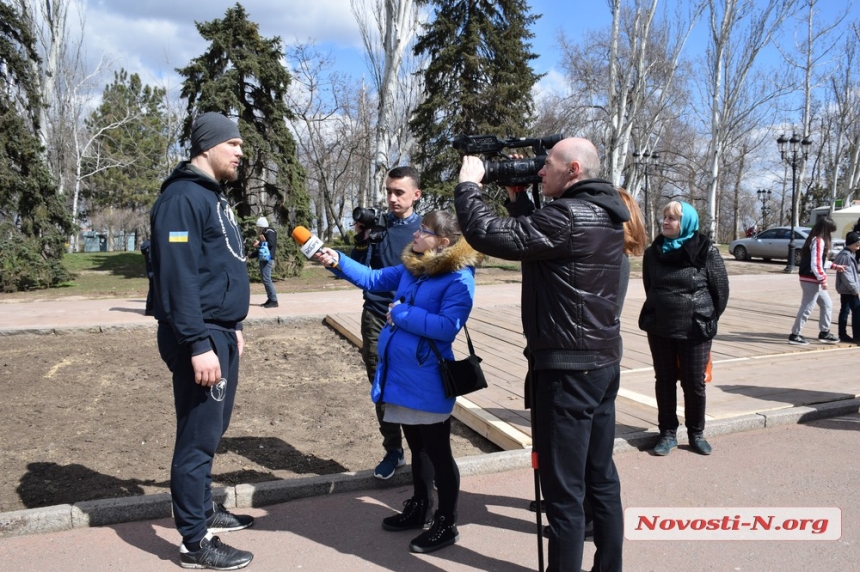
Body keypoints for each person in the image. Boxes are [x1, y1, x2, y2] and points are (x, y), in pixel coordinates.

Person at [455, 137, 629, 572]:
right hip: (601, 364)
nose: (539, 171)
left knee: (564, 493)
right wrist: (519, 202)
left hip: (567, 370)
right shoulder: (603, 212)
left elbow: (489, 235)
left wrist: (469, 186)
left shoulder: (569, 215)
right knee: (600, 477)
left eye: (546, 165)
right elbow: (545, 245)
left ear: (572, 169)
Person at [315, 211, 481, 554]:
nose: (416, 234)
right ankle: (421, 505)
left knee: (439, 453)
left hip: (428, 380)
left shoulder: (459, 279)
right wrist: (338, 260)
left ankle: (446, 522)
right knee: (417, 448)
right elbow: (374, 279)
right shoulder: (412, 268)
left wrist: (401, 313)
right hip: (401, 378)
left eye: (424, 231)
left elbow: (447, 326)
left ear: (444, 242)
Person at [149, 112, 254, 571]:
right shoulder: (182, 198)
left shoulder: (212, 196)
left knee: (211, 431)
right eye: (232, 143)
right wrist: (197, 343)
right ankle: (195, 542)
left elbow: (218, 270)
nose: (239, 152)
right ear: (206, 146)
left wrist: (234, 327)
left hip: (219, 331)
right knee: (196, 438)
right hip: (199, 335)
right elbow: (178, 279)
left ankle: (205, 508)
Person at [638, 201, 729, 458]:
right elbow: (650, 287)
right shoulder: (653, 252)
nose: (666, 222)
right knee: (664, 381)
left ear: (686, 223)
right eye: (664, 217)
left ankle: (696, 433)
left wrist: (705, 316)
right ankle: (667, 433)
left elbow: (720, 292)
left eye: (673, 218)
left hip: (695, 327)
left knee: (694, 383)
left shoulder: (706, 251)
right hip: (660, 327)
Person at [351, 166, 423, 479]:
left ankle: (422, 450)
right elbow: (361, 272)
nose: (392, 198)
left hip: (411, 320)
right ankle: (393, 450)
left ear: (416, 195)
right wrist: (362, 240)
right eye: (389, 191)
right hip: (376, 315)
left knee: (412, 383)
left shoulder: (425, 231)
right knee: (379, 385)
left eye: (399, 192)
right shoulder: (378, 227)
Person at [788, 216, 842, 346]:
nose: (830, 234)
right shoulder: (818, 241)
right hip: (812, 279)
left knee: (827, 304)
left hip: (811, 278)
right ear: (826, 230)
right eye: (830, 231)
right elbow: (816, 263)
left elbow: (820, 261)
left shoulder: (814, 240)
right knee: (807, 306)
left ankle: (824, 332)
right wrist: (823, 279)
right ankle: (795, 334)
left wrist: (835, 266)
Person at [833, 231, 860, 343]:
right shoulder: (845, 256)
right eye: (857, 245)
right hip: (849, 289)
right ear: (851, 244)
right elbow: (846, 275)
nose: (858, 248)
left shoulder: (848, 254)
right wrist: (855, 289)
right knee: (857, 311)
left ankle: (843, 334)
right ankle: (857, 336)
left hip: (846, 288)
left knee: (845, 310)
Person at [251, 217, 278, 308]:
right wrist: (249, 256)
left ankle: (274, 300)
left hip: (268, 258)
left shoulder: (269, 231)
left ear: (261, 226)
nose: (257, 230)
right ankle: (270, 298)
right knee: (264, 279)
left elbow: (271, 244)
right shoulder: (264, 233)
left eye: (258, 227)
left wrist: (260, 243)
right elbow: (262, 249)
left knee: (267, 279)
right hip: (263, 258)